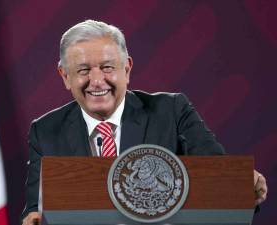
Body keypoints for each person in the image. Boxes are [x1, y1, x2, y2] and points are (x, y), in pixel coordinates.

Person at [21, 20, 268, 225]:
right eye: (83, 71)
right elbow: (35, 210)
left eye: (107, 68)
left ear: (127, 69)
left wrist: (243, 185)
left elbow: (218, 178)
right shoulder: (44, 131)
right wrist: (32, 219)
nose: (96, 81)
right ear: (65, 76)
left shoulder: (172, 111)